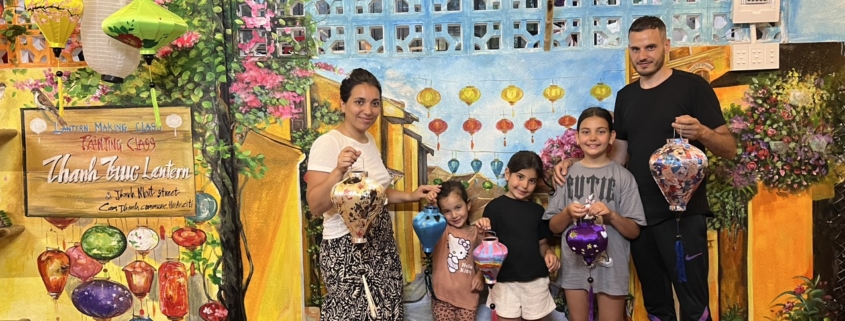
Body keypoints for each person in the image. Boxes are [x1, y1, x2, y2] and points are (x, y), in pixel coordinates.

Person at [554, 16, 736, 321]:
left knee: (693, 304)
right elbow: (618, 159)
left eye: (650, 47)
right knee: (655, 305)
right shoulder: (626, 96)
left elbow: (729, 148)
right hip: (637, 217)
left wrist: (702, 133)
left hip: (682, 217)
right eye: (636, 49)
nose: (643, 55)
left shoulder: (693, 87)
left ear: (666, 45)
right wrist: (578, 163)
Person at [305, 68, 441, 321]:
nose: (368, 111)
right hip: (347, 248)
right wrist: (338, 170)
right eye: (359, 102)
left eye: (374, 103)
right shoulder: (328, 143)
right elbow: (316, 205)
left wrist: (411, 195)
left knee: (387, 312)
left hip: (381, 244)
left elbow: (375, 194)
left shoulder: (369, 140)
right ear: (343, 104)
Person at [544, 107, 646, 321]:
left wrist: (611, 216)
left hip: (612, 266)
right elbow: (553, 227)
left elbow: (634, 230)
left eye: (600, 131)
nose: (592, 138)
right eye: (586, 131)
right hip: (574, 266)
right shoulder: (566, 174)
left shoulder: (623, 177)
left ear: (612, 137)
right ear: (577, 137)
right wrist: (567, 213)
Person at [475, 151, 560, 321]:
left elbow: (542, 244)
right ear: (507, 174)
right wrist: (483, 230)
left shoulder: (537, 211)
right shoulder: (494, 208)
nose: (524, 185)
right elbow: (488, 248)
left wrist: (549, 253)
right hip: (504, 281)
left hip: (536, 281)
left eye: (532, 180)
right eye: (520, 177)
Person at [430, 180, 486, 321]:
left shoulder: (476, 232)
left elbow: (486, 259)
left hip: (468, 298)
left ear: (468, 205)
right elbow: (428, 223)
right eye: (447, 211)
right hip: (442, 298)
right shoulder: (442, 229)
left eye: (458, 207)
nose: (454, 215)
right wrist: (430, 205)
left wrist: (480, 275)